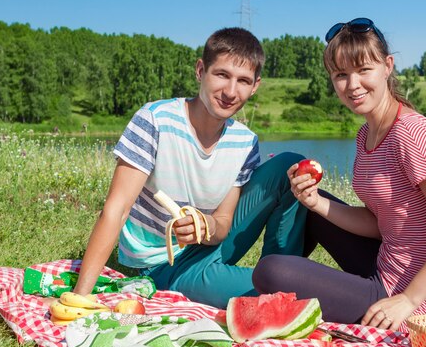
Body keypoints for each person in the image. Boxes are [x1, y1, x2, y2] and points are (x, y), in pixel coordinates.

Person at [252, 18, 426, 331]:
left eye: (363, 70)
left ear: (387, 66)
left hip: (405, 295)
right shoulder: (366, 134)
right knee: (308, 207)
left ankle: (273, 293)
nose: (352, 85)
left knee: (270, 271)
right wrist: (315, 203)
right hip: (381, 261)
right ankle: (276, 301)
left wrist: (409, 300)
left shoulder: (411, 133)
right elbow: (379, 224)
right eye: (341, 75)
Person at [72, 27, 307, 309]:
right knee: (282, 297)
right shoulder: (155, 120)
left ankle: (286, 270)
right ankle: (286, 293)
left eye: (243, 81)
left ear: (255, 86)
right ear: (200, 70)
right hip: (160, 265)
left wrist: (206, 226)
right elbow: (116, 209)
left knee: (290, 166)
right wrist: (81, 296)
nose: (231, 92)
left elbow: (223, 223)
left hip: (209, 245)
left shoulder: (245, 142)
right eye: (222, 75)